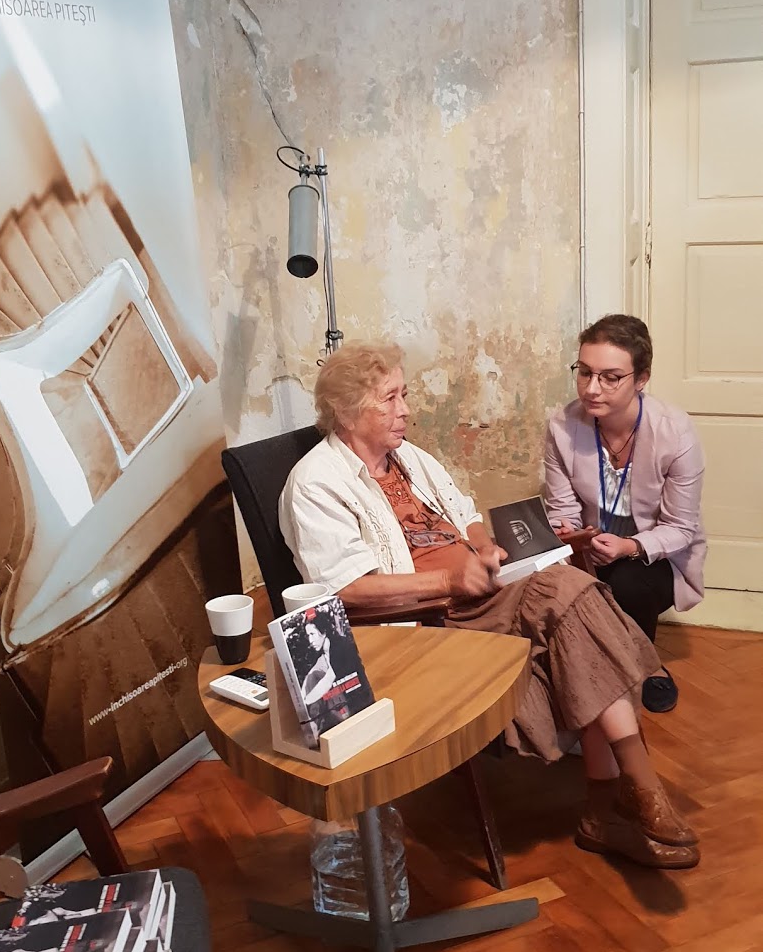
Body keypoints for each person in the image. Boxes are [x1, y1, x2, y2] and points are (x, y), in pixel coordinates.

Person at [279, 341, 700, 870]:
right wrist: (451, 579)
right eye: (390, 399)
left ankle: (612, 805)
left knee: (573, 597)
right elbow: (344, 589)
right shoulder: (316, 483)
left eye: (404, 394)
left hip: (486, 588)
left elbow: (466, 514)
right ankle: (633, 792)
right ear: (346, 411)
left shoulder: (409, 458)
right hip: (430, 615)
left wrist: (484, 550)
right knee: (573, 598)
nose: (405, 409)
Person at [544, 314, 705, 714]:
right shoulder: (563, 426)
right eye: (584, 372)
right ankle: (587, 669)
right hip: (591, 547)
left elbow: (680, 528)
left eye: (611, 377)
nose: (591, 388)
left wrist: (629, 545)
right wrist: (573, 539)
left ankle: (646, 666)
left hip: (656, 554)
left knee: (628, 582)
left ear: (641, 378)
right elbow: (562, 510)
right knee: (551, 583)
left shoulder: (675, 432)